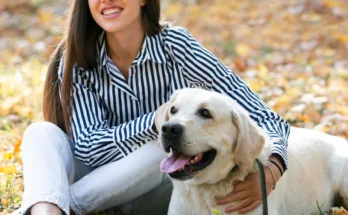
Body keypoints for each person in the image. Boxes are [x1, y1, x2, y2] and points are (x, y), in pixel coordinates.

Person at [16, 0, 290, 214]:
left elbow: (265, 117)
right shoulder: (78, 57)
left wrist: (273, 171)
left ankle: (63, 204)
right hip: (95, 179)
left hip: (155, 186)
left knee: (159, 145)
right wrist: (157, 121)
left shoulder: (176, 47)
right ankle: (48, 210)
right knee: (39, 133)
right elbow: (88, 148)